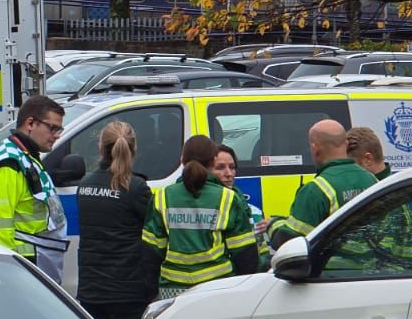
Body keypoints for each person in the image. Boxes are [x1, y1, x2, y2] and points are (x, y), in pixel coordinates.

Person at [143, 135, 258, 292]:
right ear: (212, 162)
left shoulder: (162, 196)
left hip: (173, 288)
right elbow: (245, 255)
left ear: (182, 160)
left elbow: (152, 253)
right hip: (217, 287)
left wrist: (151, 292)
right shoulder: (228, 198)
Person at [75, 122, 156, 319]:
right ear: (134, 149)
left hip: (91, 291)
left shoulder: (85, 185)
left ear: (100, 148)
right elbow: (155, 232)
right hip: (127, 292)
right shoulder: (136, 188)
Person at [0, 95, 69, 280]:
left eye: (59, 129)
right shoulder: (9, 163)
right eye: (52, 128)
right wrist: (6, 276)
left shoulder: (25, 156)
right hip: (23, 267)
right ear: (30, 124)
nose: (57, 135)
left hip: (34, 262)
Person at [266, 119, 378, 250]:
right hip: (370, 266)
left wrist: (273, 224)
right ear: (346, 144)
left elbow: (291, 242)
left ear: (314, 148)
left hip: (334, 268)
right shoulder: (372, 180)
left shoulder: (315, 189)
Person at [213, 144, 268, 268]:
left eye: (232, 167)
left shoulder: (254, 212)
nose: (229, 174)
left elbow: (262, 253)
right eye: (220, 167)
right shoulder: (206, 210)